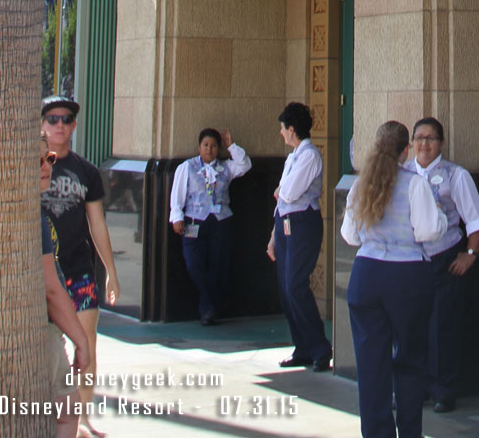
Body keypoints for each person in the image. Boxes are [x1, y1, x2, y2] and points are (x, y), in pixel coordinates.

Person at [341, 120, 447, 438]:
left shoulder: (361, 184)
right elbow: (427, 230)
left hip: (366, 274)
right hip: (407, 274)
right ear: (406, 150)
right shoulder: (415, 184)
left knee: (371, 364)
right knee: (411, 358)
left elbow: (350, 235)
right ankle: (410, 431)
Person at [40, 96, 120, 391]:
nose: (59, 125)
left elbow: (97, 223)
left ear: (74, 125)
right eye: (52, 119)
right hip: (41, 275)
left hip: (79, 270)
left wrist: (111, 270)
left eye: (65, 120)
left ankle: (84, 416)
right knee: (46, 348)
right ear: (42, 124)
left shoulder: (86, 171)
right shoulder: (30, 168)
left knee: (86, 343)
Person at [410, 116, 479, 414]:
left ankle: (444, 389)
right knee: (410, 328)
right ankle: (414, 388)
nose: (424, 144)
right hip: (411, 263)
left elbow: (477, 219)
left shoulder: (456, 175)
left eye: (431, 138)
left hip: (445, 259)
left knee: (443, 327)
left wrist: (470, 253)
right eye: (419, 138)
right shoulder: (403, 173)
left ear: (441, 143)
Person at [265, 102, 332, 371]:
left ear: (291, 130)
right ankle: (302, 347)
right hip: (285, 223)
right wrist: (273, 235)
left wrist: (281, 190)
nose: (281, 134)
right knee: (285, 287)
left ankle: (319, 348)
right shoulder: (292, 157)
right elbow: (281, 200)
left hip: (303, 222)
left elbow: (289, 193)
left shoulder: (309, 156)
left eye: (282, 129)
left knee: (295, 285)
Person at [169, 126, 251, 325]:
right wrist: (177, 217)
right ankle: (213, 302)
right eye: (205, 145)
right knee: (193, 264)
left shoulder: (226, 167)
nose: (209, 149)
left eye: (214, 146)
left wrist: (232, 146)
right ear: (199, 147)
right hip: (194, 221)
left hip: (221, 222)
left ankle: (208, 310)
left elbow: (245, 164)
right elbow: (177, 195)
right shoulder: (186, 167)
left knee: (218, 265)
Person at [41, 135, 90, 438]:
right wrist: (81, 342)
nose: (47, 166)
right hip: (43, 330)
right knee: (66, 410)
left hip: (46, 330)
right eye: (37, 161)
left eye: (49, 158)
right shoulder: (31, 216)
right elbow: (50, 288)